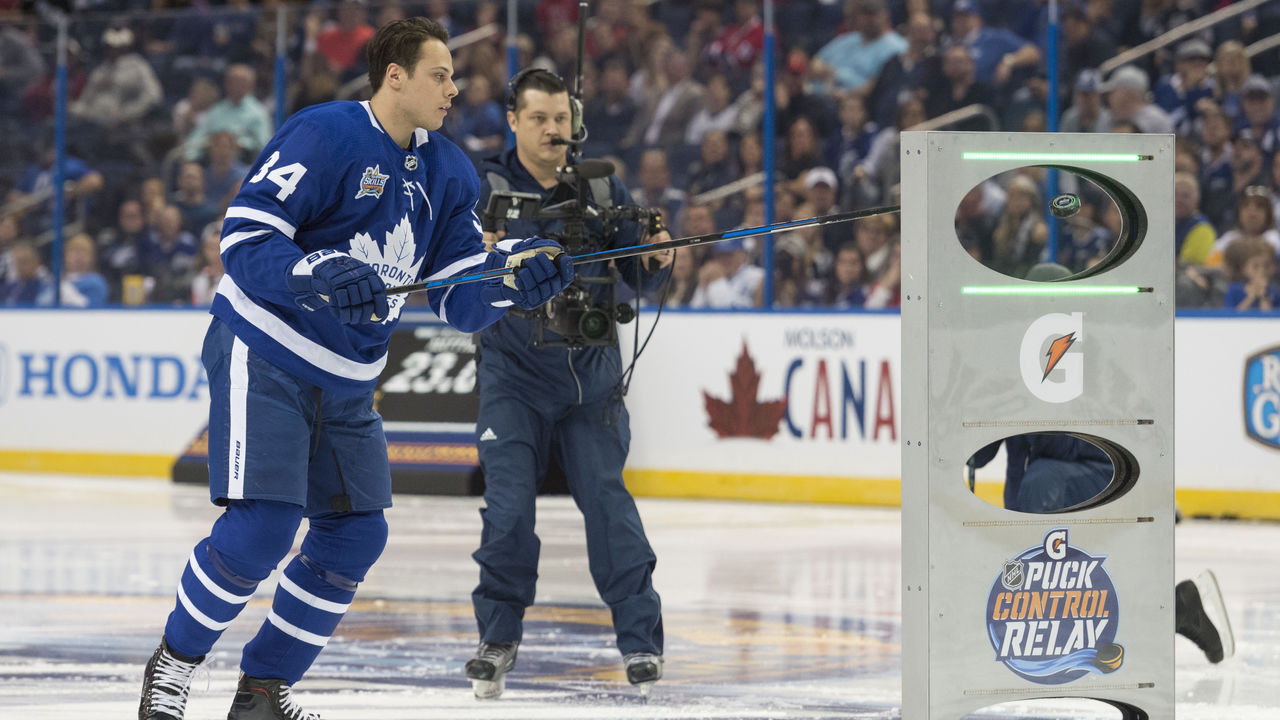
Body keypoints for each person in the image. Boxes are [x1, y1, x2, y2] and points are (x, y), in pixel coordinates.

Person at [137, 18, 573, 720]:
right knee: (264, 527)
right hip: (267, 350)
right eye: (439, 75)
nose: (453, 90)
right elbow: (244, 234)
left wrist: (512, 281)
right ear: (394, 75)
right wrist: (312, 270)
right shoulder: (324, 133)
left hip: (348, 378)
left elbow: (459, 298)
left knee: (355, 535)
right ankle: (173, 666)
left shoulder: (450, 171)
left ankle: (262, 693)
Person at [466, 66, 672, 701]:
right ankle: (497, 638)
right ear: (513, 121)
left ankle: (641, 643)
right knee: (508, 511)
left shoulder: (603, 187)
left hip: (592, 378)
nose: (552, 130)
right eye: (538, 118)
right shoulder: (484, 187)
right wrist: (480, 253)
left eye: (561, 118)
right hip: (513, 375)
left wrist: (656, 255)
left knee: (609, 506)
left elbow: (641, 274)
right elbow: (459, 276)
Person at [968, 262, 1236, 665]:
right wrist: (976, 417)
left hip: (1102, 476)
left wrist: (1018, 405)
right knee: (1041, 584)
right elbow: (983, 450)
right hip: (1044, 489)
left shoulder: (1088, 356)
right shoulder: (1021, 355)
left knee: (1043, 492)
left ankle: (1169, 611)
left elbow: (1076, 441)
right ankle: (1177, 609)